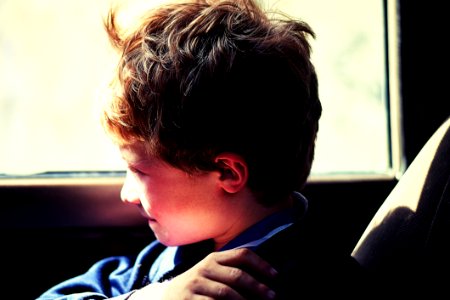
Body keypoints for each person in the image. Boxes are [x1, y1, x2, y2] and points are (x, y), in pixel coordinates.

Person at [38, 0, 364, 299]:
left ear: (227, 173)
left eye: (138, 170)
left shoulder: (314, 282)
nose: (128, 195)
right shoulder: (176, 255)